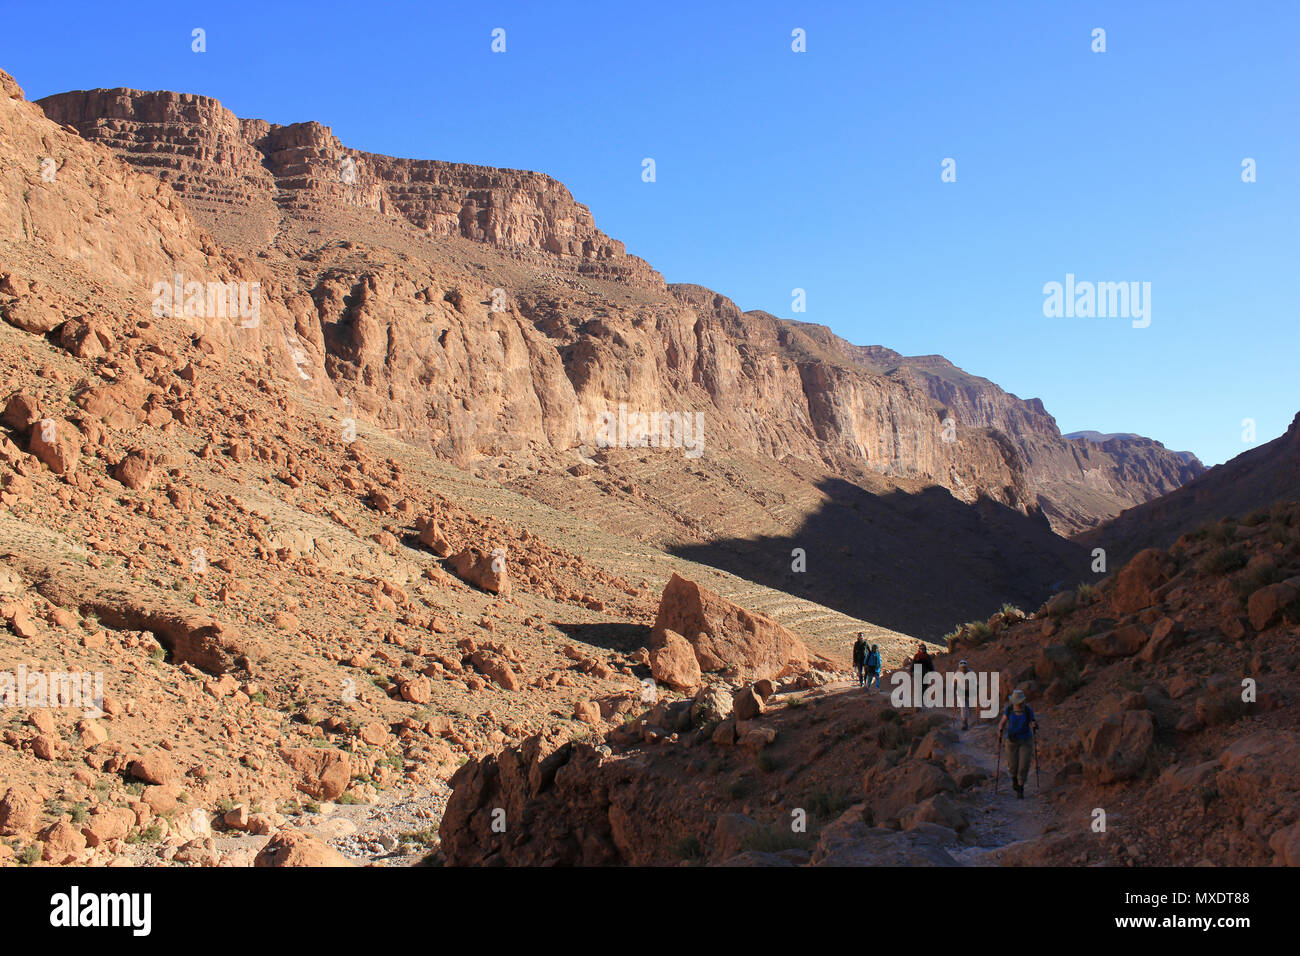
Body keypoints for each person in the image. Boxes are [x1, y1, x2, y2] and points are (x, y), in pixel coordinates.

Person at [997, 688, 1039, 799]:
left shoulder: (1027, 710)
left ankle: (1020, 788)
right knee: (1012, 765)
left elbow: (1032, 721)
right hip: (1011, 741)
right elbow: (1003, 721)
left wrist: (1034, 724)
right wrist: (1000, 729)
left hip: (1025, 740)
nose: (1018, 703)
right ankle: (1014, 779)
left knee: (1024, 764)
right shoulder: (1009, 709)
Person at [954, 660, 974, 730]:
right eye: (962, 668)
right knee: (963, 707)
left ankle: (966, 720)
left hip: (969, 691)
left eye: (964, 668)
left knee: (968, 707)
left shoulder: (970, 673)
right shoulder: (957, 673)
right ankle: (964, 721)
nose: (963, 669)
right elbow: (954, 682)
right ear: (960, 667)